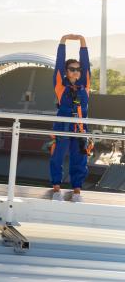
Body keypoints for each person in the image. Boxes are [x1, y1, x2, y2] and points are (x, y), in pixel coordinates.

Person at [51, 34, 91, 202]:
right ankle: (56, 189)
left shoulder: (85, 85)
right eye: (72, 69)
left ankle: (76, 191)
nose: (76, 71)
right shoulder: (60, 85)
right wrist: (63, 40)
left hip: (80, 127)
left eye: (77, 69)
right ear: (66, 72)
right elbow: (59, 63)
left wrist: (82, 41)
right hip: (63, 126)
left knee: (79, 159)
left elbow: (86, 63)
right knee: (57, 157)